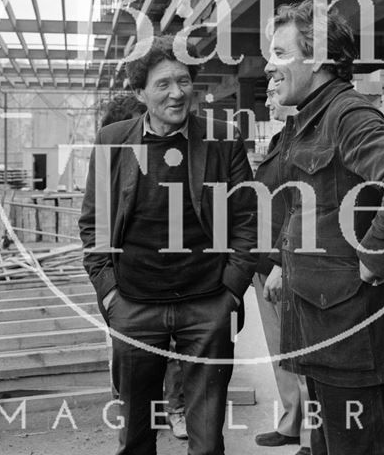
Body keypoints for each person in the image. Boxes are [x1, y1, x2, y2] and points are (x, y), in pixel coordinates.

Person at [262, 0, 384, 455]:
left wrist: (372, 258)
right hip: (323, 327)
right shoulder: (309, 119)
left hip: (353, 332)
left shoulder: (346, 115)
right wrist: (286, 261)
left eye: (282, 53)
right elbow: (313, 206)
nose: (270, 64)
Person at [79, 35, 257, 455]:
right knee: (136, 433)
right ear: (140, 92)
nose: (177, 93)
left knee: (208, 436)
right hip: (134, 305)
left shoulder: (222, 138)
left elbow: (248, 218)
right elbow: (93, 223)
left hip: (207, 303)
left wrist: (231, 289)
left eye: (183, 80)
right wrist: (109, 294)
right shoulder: (113, 141)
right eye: (163, 84)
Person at [100, 93, 188, 440]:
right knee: (127, 349)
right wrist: (108, 290)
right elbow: (97, 225)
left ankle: (176, 408)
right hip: (128, 279)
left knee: (175, 349)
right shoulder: (113, 156)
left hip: (175, 273)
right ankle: (129, 402)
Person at [253, 79, 310, 455]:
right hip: (265, 262)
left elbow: (303, 205)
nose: (270, 98)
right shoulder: (279, 140)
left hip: (285, 262)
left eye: (275, 90)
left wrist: (278, 261)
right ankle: (292, 423)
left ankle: (312, 437)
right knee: (279, 349)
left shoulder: (307, 139)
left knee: (302, 351)